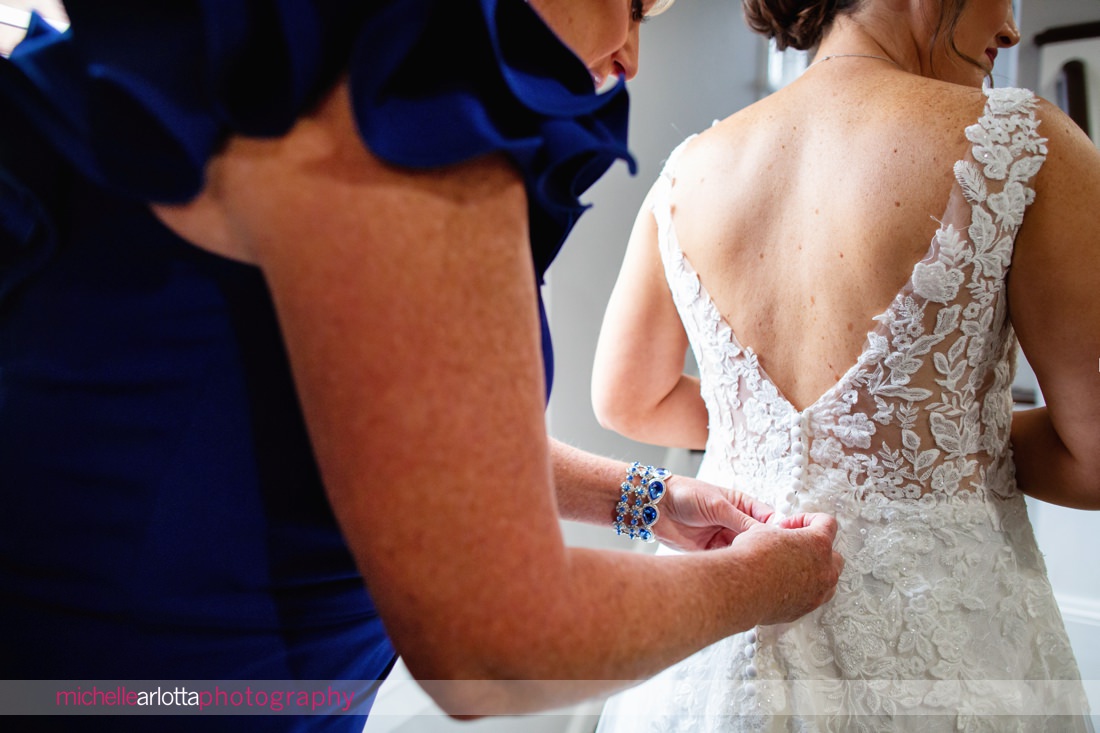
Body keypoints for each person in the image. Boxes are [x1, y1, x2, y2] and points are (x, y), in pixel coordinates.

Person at [0, 1, 844, 731]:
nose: (631, 53)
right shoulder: (394, 111)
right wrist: (762, 582)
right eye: (628, 1)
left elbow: (371, 419)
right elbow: (496, 645)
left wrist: (646, 499)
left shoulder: (277, 55)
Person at [592, 0, 1100, 729]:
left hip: (718, 641)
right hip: (942, 660)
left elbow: (628, 399)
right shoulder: (1022, 145)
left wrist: (767, 429)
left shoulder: (688, 171)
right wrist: (926, 436)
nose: (1012, 27)